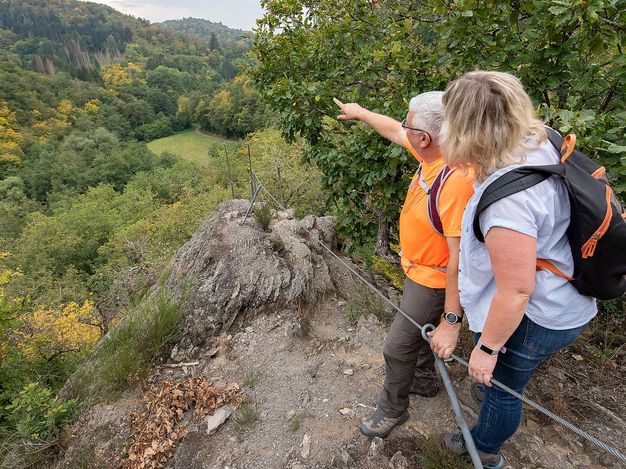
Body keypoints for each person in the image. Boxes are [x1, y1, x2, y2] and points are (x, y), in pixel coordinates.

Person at [430, 71, 597, 469]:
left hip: (538, 314)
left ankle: (484, 448)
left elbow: (516, 292)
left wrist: (486, 351)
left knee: (503, 387)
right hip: (567, 296)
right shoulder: (542, 140)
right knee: (503, 379)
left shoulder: (508, 206)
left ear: (464, 126)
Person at [333, 93, 474, 438]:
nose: (403, 128)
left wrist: (451, 319)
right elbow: (395, 131)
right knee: (417, 331)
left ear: (424, 138)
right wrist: (361, 111)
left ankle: (392, 408)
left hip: (435, 280)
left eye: (409, 124)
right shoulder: (438, 153)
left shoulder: (456, 180)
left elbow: (460, 257)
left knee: (396, 346)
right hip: (419, 272)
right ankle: (425, 379)